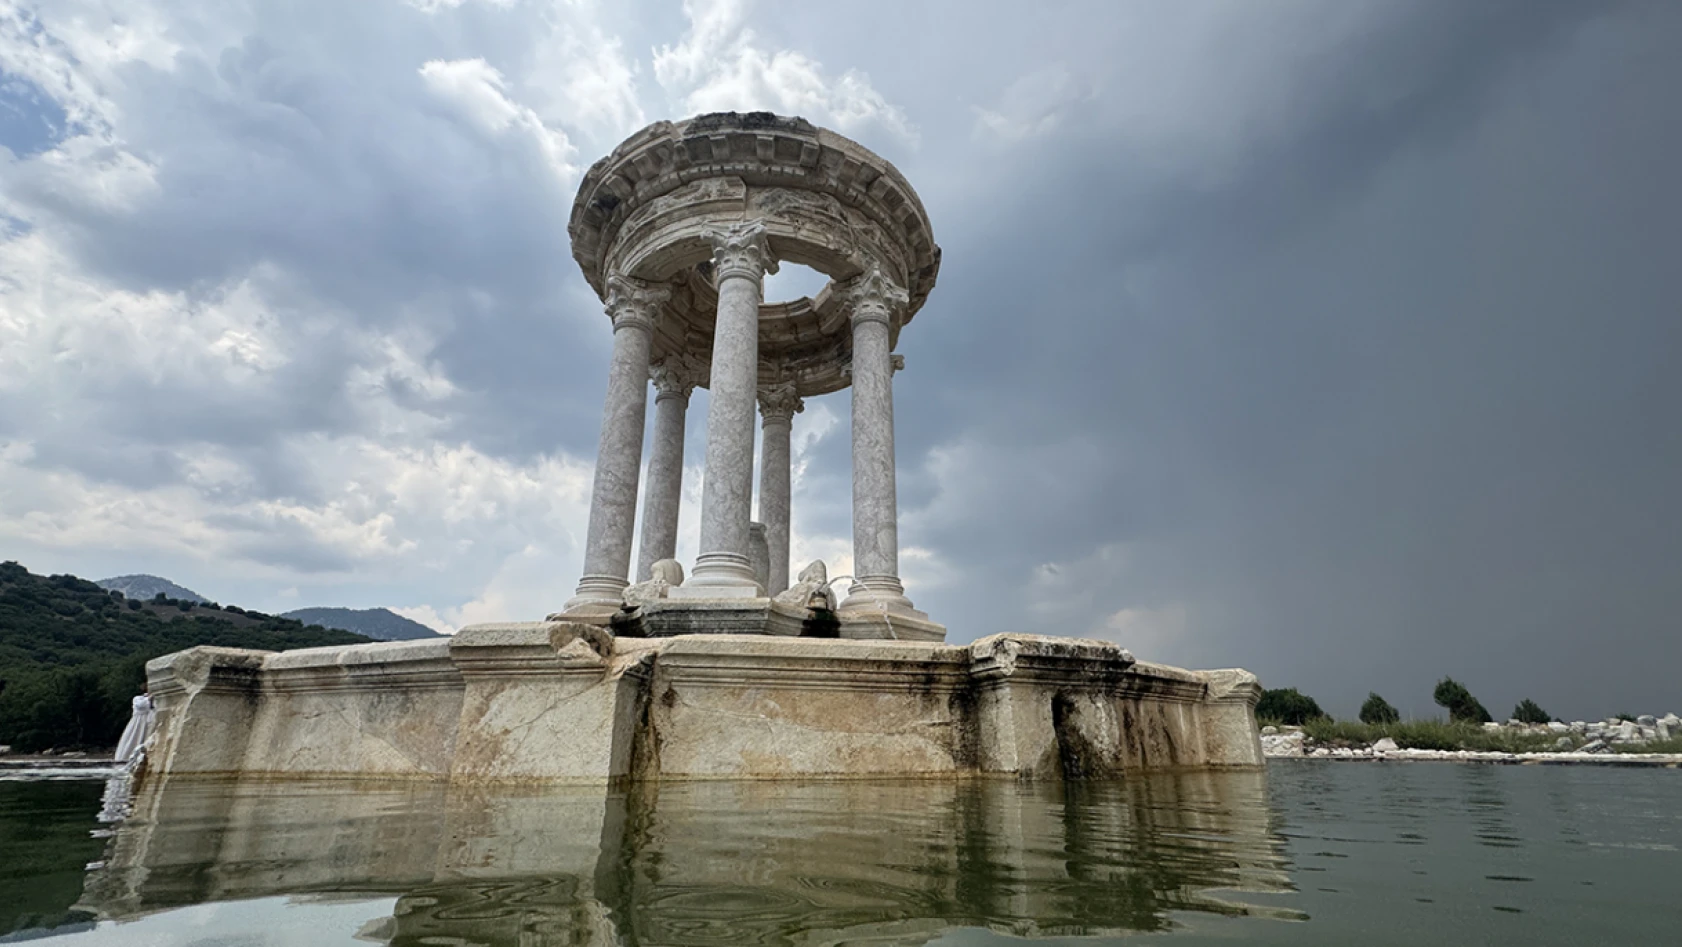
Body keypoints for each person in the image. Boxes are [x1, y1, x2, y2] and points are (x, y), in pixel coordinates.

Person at [114, 688, 155, 764]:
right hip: (138, 724)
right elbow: (140, 706)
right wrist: (149, 698)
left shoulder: (155, 701)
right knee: (132, 741)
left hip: (149, 723)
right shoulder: (137, 698)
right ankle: (125, 758)